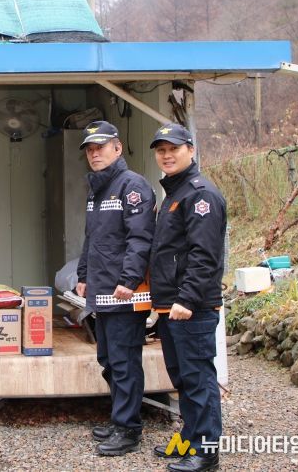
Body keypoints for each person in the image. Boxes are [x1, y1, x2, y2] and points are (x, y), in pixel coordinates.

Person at [75, 120, 156, 456]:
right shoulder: (97, 191)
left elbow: (141, 238)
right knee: (108, 360)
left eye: (101, 147)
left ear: (118, 148)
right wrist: (82, 274)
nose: (94, 154)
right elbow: (92, 239)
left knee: (124, 362)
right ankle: (119, 418)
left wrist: (129, 280)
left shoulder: (132, 186)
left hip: (125, 293)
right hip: (103, 291)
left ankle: (128, 429)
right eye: (90, 150)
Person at [149, 123, 226, 472]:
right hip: (171, 305)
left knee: (198, 380)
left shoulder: (200, 195)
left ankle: (206, 452)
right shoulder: (175, 193)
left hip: (190, 307)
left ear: (191, 150)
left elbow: (204, 255)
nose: (167, 155)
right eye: (161, 150)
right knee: (183, 379)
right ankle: (188, 441)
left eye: (174, 149)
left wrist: (187, 299)